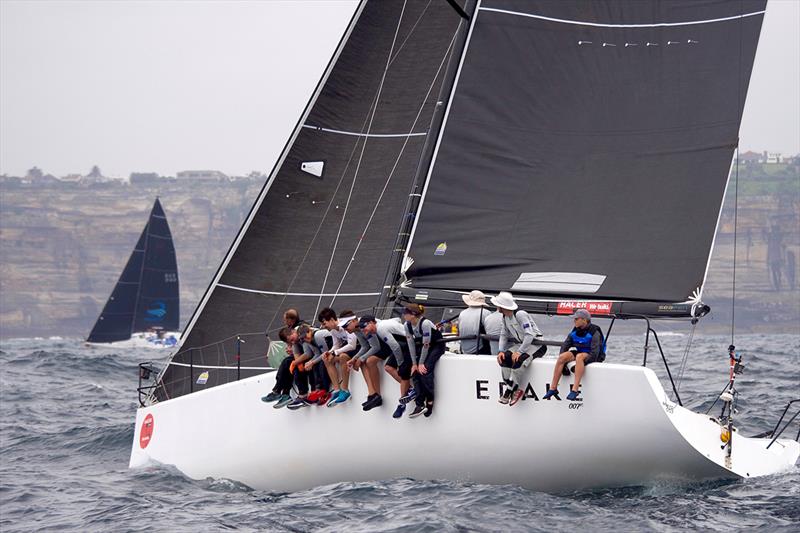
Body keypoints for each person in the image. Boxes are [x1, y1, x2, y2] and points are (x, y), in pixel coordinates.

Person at [491, 291, 546, 406]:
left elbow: (529, 335)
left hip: (537, 344)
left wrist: (520, 352)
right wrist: (501, 350)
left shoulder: (520, 314)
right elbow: (504, 334)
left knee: (518, 362)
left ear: (502, 306)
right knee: (505, 358)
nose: (497, 307)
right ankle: (513, 387)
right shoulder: (505, 317)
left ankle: (509, 392)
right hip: (523, 344)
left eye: (498, 305)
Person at [357, 315, 415, 416]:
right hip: (403, 344)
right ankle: (410, 390)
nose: (365, 332)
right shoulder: (380, 326)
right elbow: (396, 320)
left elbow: (395, 347)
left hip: (410, 343)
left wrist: (400, 363)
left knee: (402, 371)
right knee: (388, 367)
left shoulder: (381, 329)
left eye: (365, 328)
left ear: (371, 323)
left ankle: (405, 399)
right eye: (362, 330)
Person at [543, 309, 605, 401]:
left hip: (594, 355)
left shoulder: (594, 332)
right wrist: (564, 365)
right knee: (562, 357)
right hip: (581, 353)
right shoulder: (575, 331)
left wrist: (578, 366)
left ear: (584, 320)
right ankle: (553, 388)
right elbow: (565, 346)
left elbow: (594, 354)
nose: (574, 321)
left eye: (576, 319)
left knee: (579, 357)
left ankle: (575, 390)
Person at [403, 304, 445, 419]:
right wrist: (414, 364)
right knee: (415, 373)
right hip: (423, 346)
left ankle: (430, 401)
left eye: (406, 313)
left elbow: (427, 345)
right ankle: (419, 404)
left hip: (436, 346)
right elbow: (410, 344)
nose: (404, 315)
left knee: (425, 371)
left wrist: (421, 363)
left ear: (413, 315)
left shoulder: (425, 324)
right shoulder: (407, 325)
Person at [261, 308, 307, 406]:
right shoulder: (295, 329)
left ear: (292, 320)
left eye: (285, 319)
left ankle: (278, 391)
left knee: (288, 362)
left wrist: (294, 352)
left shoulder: (299, 329)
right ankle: (284, 393)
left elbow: (307, 347)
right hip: (303, 354)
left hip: (307, 355)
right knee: (288, 362)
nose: (284, 322)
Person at [317, 307, 358, 407]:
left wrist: (335, 353)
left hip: (358, 346)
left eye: (324, 323)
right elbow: (336, 344)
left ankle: (345, 390)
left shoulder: (345, 324)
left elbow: (352, 345)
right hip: (349, 349)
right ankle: (336, 390)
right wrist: (329, 352)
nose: (322, 326)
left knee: (343, 356)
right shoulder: (333, 330)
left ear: (331, 320)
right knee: (327, 359)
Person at [457, 290, 491, 354]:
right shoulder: (486, 313)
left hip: (464, 350)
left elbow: (459, 332)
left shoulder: (462, 313)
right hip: (481, 349)